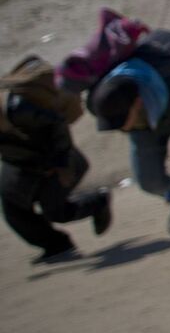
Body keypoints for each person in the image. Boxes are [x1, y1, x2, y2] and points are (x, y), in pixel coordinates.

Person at [90, 53, 170, 252]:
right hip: (145, 123)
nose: (121, 129)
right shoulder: (105, 98)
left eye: (122, 122)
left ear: (137, 103)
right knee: (148, 180)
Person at [0, 56, 110, 263]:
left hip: (57, 159)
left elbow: (58, 126)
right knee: (13, 209)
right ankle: (56, 245)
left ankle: (98, 202)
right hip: (22, 161)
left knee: (57, 211)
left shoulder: (20, 109)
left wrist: (61, 164)